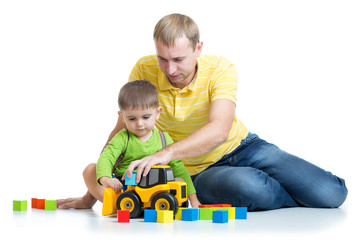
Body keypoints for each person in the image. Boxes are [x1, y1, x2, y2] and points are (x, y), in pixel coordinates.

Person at [58, 13, 347, 210]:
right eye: (162, 58)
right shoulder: (144, 69)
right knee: (252, 187)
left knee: (332, 194)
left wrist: (164, 154)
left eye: (179, 59)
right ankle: (290, 202)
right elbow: (123, 129)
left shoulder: (221, 69)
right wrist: (92, 195)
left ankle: (296, 194)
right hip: (197, 170)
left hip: (244, 146)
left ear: (199, 48)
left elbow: (220, 129)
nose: (170, 70)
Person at [95, 80, 199, 207]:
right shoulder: (123, 138)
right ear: (122, 116)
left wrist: (193, 199)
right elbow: (106, 157)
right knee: (90, 170)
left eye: (145, 117)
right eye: (132, 118)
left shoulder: (164, 139)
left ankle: (158, 205)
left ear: (157, 113)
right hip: (126, 186)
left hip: (157, 186)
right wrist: (106, 178)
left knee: (179, 180)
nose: (139, 123)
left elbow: (179, 168)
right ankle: (118, 204)